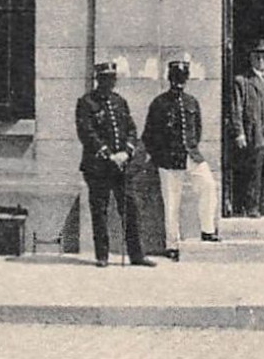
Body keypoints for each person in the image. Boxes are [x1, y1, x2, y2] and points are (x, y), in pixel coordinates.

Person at [75, 60, 154, 268]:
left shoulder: (119, 102)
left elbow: (131, 129)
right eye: (105, 79)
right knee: (99, 211)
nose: (109, 83)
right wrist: (109, 155)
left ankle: (137, 255)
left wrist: (126, 152)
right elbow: (87, 133)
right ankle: (102, 255)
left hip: (122, 167)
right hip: (98, 168)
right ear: (98, 80)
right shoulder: (86, 103)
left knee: (130, 209)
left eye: (112, 79)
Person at [143, 52, 219, 261]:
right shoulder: (159, 103)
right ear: (170, 78)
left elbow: (197, 129)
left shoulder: (191, 102)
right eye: (176, 78)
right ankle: (172, 244)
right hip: (168, 159)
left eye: (182, 78)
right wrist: (159, 156)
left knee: (209, 185)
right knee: (171, 202)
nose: (179, 82)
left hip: (191, 156)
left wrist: (191, 148)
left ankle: (207, 229)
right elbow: (148, 135)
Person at [231, 39, 264, 217]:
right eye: (258, 57)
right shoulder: (243, 81)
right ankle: (251, 207)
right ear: (252, 59)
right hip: (256, 131)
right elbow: (236, 109)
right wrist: (240, 133)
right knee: (255, 169)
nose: (262, 61)